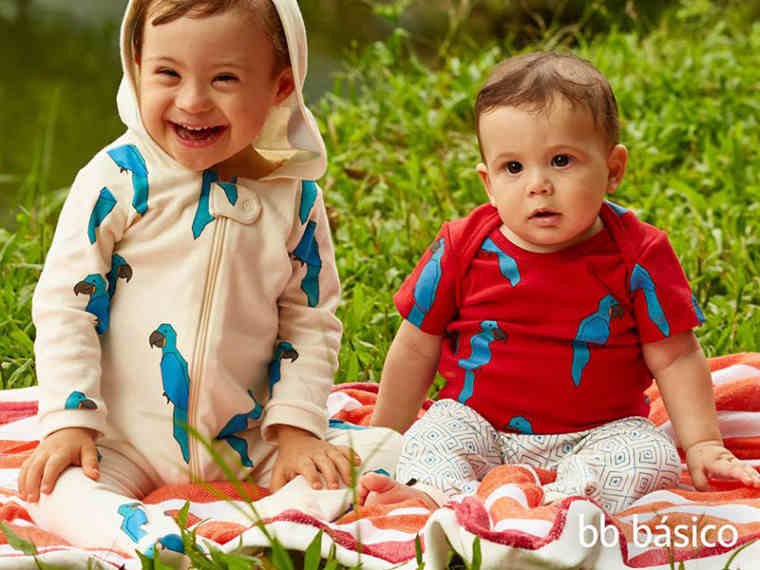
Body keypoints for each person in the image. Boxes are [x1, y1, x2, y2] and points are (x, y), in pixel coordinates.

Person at [19, 0, 400, 558]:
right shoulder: (117, 179)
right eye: (168, 74)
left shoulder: (293, 198)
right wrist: (71, 420)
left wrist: (295, 428)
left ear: (279, 86)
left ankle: (262, 525)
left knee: (387, 451)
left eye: (225, 78)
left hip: (244, 441)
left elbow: (310, 318)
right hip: (121, 437)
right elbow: (66, 306)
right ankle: (137, 531)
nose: (193, 101)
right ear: (136, 65)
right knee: (51, 488)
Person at [359, 51, 760, 514]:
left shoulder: (638, 254)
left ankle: (555, 506)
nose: (538, 184)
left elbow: (676, 356)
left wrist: (704, 444)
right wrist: (385, 436)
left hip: (600, 432)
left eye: (561, 160)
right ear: (488, 183)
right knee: (435, 432)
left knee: (651, 456)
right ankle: (435, 495)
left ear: (612, 170)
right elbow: (415, 345)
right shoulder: (461, 246)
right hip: (480, 426)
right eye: (514, 168)